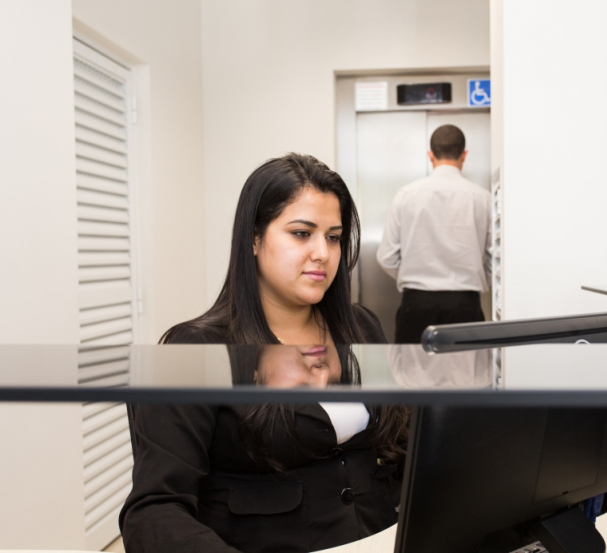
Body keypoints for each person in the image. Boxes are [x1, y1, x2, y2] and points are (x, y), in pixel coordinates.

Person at [120, 153, 408, 553]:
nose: (323, 253)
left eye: (333, 236)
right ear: (254, 239)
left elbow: (407, 449)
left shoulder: (361, 328)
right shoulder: (198, 350)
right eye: (301, 233)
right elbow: (153, 512)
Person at [376, 124, 491, 343]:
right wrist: (477, 279)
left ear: (431, 155)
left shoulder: (406, 195)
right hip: (466, 307)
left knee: (414, 376)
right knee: (467, 376)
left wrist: (412, 276)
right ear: (463, 155)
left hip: (416, 307)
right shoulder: (483, 198)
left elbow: (386, 256)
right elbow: (499, 258)